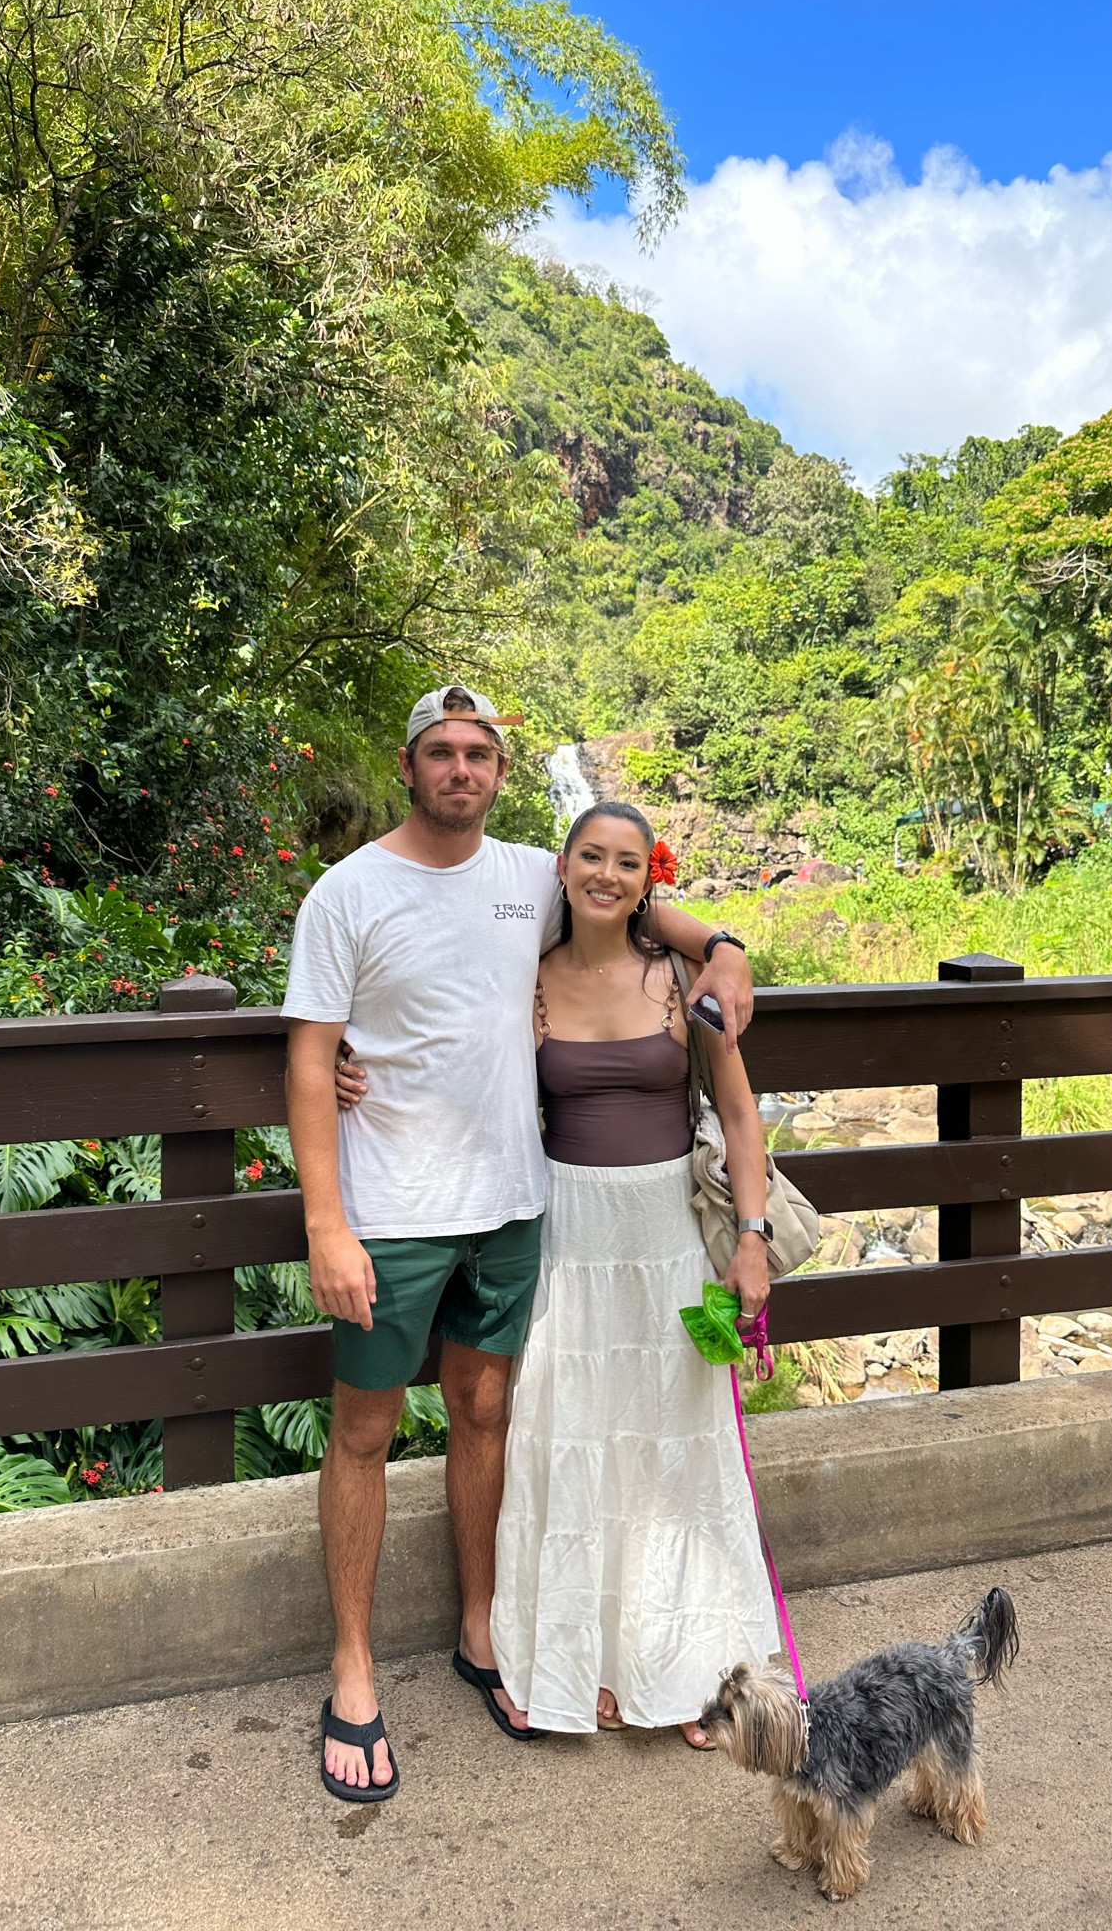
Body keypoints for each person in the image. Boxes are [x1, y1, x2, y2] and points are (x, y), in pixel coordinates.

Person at [280, 685, 755, 1802]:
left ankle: (481, 1628)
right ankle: (353, 1669)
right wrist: (326, 1224)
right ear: (409, 764)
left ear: (499, 771)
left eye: (479, 753)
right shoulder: (347, 893)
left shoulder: (529, 879)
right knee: (364, 1430)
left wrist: (726, 947)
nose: (462, 769)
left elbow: (632, 904)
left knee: (488, 1413)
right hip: (390, 1214)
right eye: (442, 751)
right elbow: (308, 1058)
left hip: (511, 1204)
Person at [488, 800, 781, 1745]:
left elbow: (738, 1115)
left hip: (667, 1238)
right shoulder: (527, 980)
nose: (606, 875)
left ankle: (694, 1673)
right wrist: (350, 1062)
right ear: (563, 866)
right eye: (591, 856)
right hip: (570, 1239)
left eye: (626, 861)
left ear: (646, 877)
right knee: (573, 1437)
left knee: (675, 1448)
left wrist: (750, 1238)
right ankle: (592, 1664)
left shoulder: (683, 981)